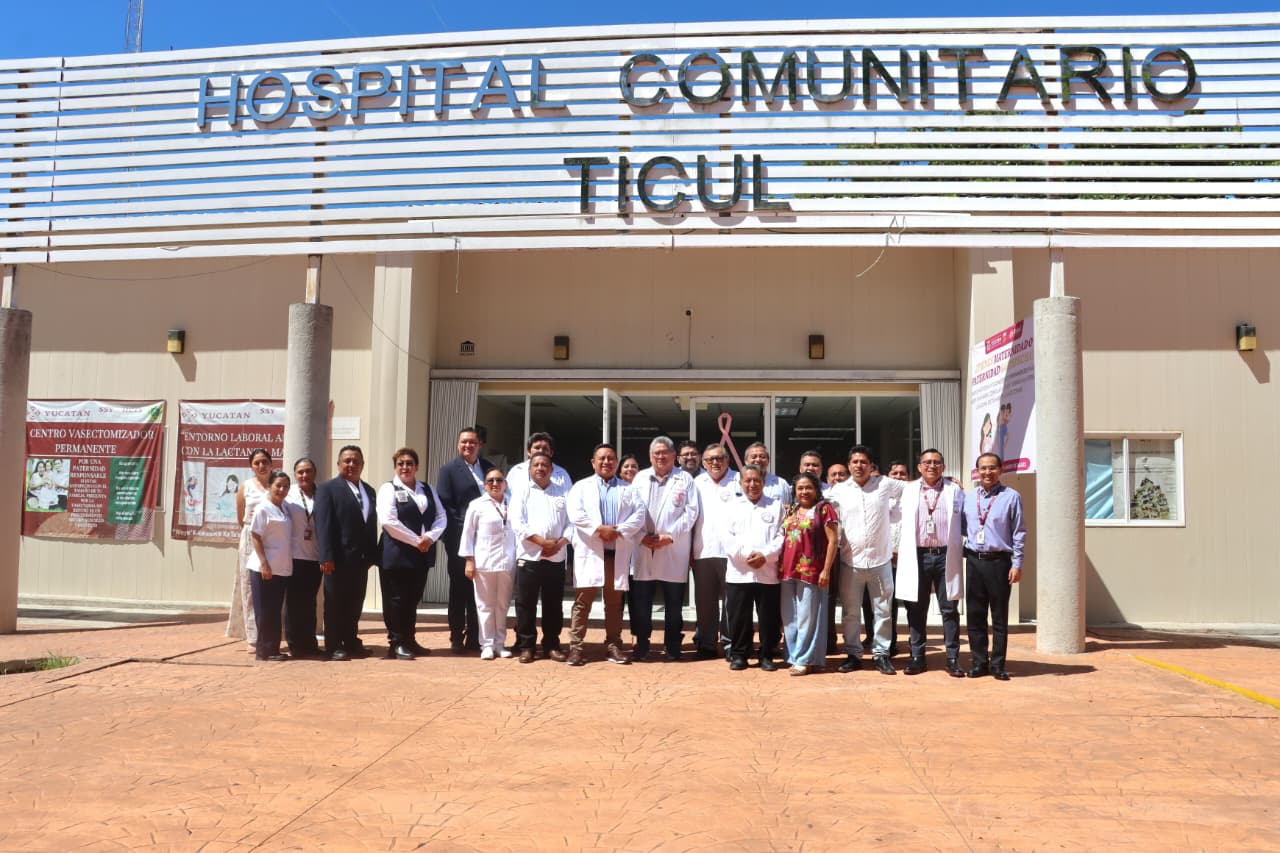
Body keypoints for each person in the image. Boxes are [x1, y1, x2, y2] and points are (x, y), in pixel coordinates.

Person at [828, 445, 905, 676]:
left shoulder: (885, 484)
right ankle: (853, 654)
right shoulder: (839, 490)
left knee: (883, 611)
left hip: (881, 561)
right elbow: (816, 502)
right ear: (849, 465)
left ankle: (881, 654)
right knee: (851, 612)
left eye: (864, 461)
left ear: (871, 466)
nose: (859, 465)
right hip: (850, 562)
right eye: (855, 461)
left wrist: (948, 482)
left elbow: (914, 488)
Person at [566, 443, 645, 666]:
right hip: (591, 552)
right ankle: (576, 647)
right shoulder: (581, 487)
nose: (606, 462)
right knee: (583, 602)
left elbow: (639, 515)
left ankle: (613, 645)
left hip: (615, 554)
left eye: (611, 458)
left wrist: (618, 531)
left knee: (614, 604)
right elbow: (575, 514)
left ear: (616, 462)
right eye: (601, 458)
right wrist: (599, 529)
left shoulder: (629, 489)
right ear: (593, 462)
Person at [895, 449, 966, 678]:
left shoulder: (955, 490)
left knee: (949, 608)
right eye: (927, 462)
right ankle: (917, 657)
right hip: (918, 555)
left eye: (936, 462)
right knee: (917, 608)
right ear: (919, 467)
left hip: (946, 555)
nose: (931, 466)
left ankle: (952, 658)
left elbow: (966, 519)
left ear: (943, 467)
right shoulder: (908, 489)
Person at [630, 436, 700, 661]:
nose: (661, 456)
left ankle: (672, 645)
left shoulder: (685, 479)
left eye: (665, 452)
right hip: (644, 546)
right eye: (656, 453)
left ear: (673, 456)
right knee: (642, 602)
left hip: (673, 547)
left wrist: (669, 536)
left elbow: (691, 512)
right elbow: (629, 510)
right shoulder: (640, 478)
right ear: (650, 457)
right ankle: (642, 644)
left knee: (674, 603)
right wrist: (640, 536)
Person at [376, 447, 447, 660]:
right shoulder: (388, 489)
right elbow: (388, 521)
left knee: (412, 598)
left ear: (417, 466)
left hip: (422, 553)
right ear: (395, 467)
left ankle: (409, 639)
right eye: (400, 464)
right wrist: (417, 541)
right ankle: (396, 643)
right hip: (396, 553)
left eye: (409, 463)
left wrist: (430, 537)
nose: (405, 467)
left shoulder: (428, 488)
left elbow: (441, 516)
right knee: (396, 600)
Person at [962, 452, 1026, 681]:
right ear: (977, 471)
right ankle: (979, 662)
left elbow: (1019, 532)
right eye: (983, 468)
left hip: (999, 562)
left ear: (1000, 470)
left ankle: (998, 665)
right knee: (975, 615)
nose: (987, 472)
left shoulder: (1012, 497)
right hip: (974, 561)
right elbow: (963, 527)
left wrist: (1017, 564)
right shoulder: (969, 498)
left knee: (999, 617)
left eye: (992, 468)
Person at [314, 445, 379, 661]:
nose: (351, 464)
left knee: (355, 603)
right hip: (337, 559)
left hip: (360, 560)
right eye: (347, 460)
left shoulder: (369, 491)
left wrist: (372, 555)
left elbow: (370, 524)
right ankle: (333, 645)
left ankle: (351, 641)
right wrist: (326, 556)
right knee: (335, 604)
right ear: (338, 464)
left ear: (362, 464)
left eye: (356, 461)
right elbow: (323, 525)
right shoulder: (327, 489)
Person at [436, 427, 494, 653]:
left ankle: (476, 637)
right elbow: (445, 506)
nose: (467, 446)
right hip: (460, 540)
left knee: (480, 591)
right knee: (459, 590)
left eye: (472, 442)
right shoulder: (448, 470)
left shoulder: (489, 468)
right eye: (463, 442)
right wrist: (466, 530)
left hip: (487, 542)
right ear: (458, 444)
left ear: (479, 444)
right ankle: (456, 637)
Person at [510, 453, 571, 663]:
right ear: (530, 469)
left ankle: (551, 645)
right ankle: (527, 646)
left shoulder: (563, 492)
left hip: (556, 556)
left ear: (552, 470)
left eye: (544, 465)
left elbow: (572, 523)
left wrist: (558, 544)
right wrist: (541, 543)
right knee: (525, 603)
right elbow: (517, 523)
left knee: (553, 604)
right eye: (536, 464)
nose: (540, 468)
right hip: (529, 556)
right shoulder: (522, 492)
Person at [724, 465, 784, 671]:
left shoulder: (776, 506)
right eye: (748, 480)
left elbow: (781, 536)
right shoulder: (731, 507)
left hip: (768, 571)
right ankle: (739, 654)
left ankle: (766, 654)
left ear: (763, 482)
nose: (752, 484)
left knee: (769, 617)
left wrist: (765, 556)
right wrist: (746, 556)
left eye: (756, 480)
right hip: (739, 572)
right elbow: (726, 538)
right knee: (739, 616)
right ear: (740, 483)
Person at [779, 472, 839, 675]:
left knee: (808, 618)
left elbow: (833, 541)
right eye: (800, 488)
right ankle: (794, 655)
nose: (804, 491)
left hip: (812, 571)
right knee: (790, 618)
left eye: (808, 487)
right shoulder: (792, 510)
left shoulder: (824, 509)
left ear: (816, 489)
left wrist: (826, 570)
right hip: (787, 570)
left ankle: (805, 659)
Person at [460, 468, 517, 659]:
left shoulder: (513, 503)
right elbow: (468, 534)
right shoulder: (477, 505)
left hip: (507, 563)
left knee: (502, 605)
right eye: (490, 480)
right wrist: (469, 560)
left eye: (499, 480)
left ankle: (500, 644)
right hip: (484, 562)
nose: (495, 484)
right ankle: (486, 644)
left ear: (505, 484)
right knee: (485, 605)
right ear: (485, 485)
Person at [690, 442, 739, 659]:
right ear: (703, 463)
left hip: (732, 552)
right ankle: (707, 644)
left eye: (719, 458)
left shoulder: (739, 480)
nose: (715, 463)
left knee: (732, 601)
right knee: (704, 602)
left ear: (727, 460)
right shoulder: (695, 483)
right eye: (710, 459)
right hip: (702, 550)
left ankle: (730, 644)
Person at [228, 449, 272, 648]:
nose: (261, 466)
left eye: (264, 462)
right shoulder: (245, 487)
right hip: (250, 538)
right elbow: (241, 518)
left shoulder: (277, 484)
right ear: (251, 466)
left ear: (271, 463)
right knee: (249, 587)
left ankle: (272, 633)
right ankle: (253, 637)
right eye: (257, 463)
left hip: (273, 538)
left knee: (273, 584)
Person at [248, 470, 293, 662]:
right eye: (278, 486)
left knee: (274, 611)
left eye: (285, 486)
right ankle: (263, 651)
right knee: (265, 611)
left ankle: (273, 649)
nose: (282, 490)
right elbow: (255, 536)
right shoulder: (263, 508)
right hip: (264, 569)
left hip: (281, 568)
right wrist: (264, 563)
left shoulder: (284, 508)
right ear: (270, 486)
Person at [283, 457, 324, 659]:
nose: (304, 475)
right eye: (300, 472)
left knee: (309, 604)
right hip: (294, 557)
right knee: (293, 604)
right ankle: (295, 646)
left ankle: (310, 644)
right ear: (295, 474)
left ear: (314, 473)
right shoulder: (288, 494)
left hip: (315, 557)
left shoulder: (322, 494)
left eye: (308, 471)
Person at [505, 432, 572, 499]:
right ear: (529, 452)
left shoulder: (562, 474)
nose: (541, 451)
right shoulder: (516, 471)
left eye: (545, 448)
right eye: (537, 448)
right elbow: (506, 497)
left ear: (551, 453)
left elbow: (569, 500)